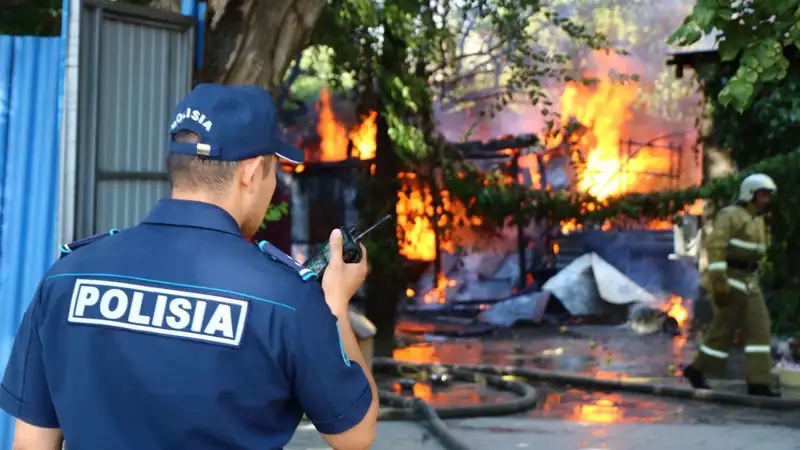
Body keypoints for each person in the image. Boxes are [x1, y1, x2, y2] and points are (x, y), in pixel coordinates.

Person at [0, 84, 379, 449]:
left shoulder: (67, 277)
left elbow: (31, 443)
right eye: (272, 170)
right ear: (250, 171)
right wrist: (333, 304)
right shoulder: (284, 298)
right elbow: (355, 434)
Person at [683, 173, 779, 397]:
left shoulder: (757, 220)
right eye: (762, 195)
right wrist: (719, 281)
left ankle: (758, 383)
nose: (766, 200)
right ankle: (697, 370)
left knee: (760, 329)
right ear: (750, 194)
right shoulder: (730, 215)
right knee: (722, 331)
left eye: (768, 196)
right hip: (731, 280)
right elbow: (715, 247)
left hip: (750, 282)